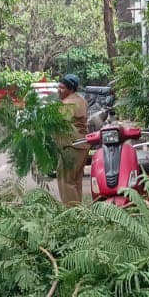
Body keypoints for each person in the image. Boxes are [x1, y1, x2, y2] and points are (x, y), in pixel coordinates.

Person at [55, 74, 90, 204]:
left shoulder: (67, 104)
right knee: (76, 180)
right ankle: (79, 210)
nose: (59, 90)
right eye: (58, 87)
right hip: (82, 144)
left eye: (62, 88)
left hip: (71, 146)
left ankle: (72, 211)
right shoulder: (82, 100)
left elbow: (57, 124)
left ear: (71, 89)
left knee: (66, 181)